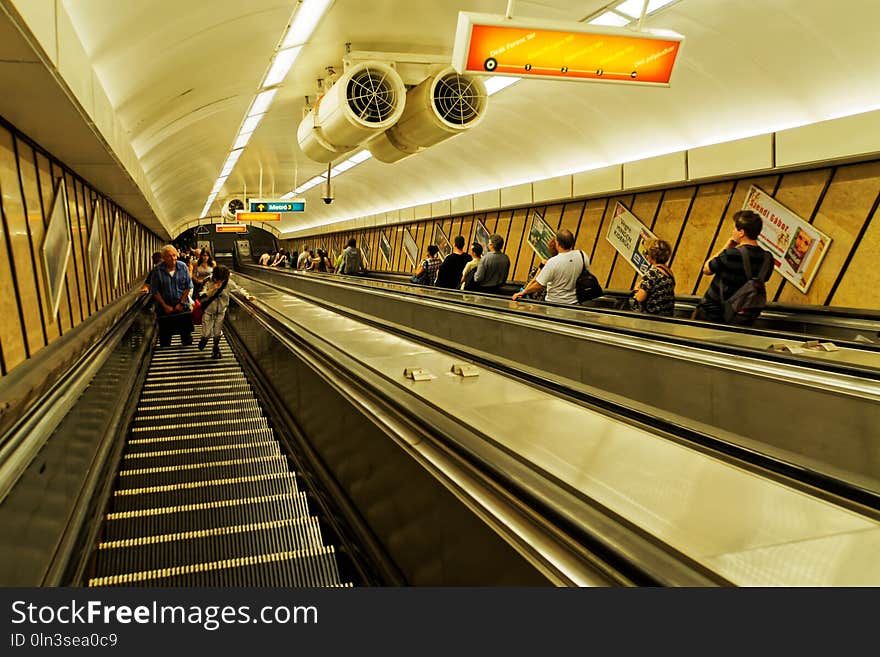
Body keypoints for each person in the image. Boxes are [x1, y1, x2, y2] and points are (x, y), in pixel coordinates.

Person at [694, 210, 773, 325]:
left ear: (741, 232)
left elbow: (707, 269)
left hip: (713, 314)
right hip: (741, 319)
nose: (733, 231)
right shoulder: (767, 259)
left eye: (735, 228)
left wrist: (728, 245)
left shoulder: (731, 254)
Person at [512, 229, 583, 304]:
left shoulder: (551, 263)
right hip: (574, 302)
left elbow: (537, 283)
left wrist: (523, 292)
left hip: (553, 303)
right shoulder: (581, 257)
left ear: (557, 245)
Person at [149, 244, 194, 347]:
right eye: (170, 256)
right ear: (164, 257)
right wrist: (165, 306)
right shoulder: (157, 271)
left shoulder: (182, 267)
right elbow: (155, 291)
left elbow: (188, 286)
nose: (173, 258)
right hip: (164, 310)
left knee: (186, 337)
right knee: (165, 339)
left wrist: (181, 303)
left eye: (174, 255)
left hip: (182, 307)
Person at [630, 239, 675, 316]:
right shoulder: (669, 273)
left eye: (646, 253)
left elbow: (640, 298)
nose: (646, 256)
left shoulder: (652, 273)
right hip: (666, 317)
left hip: (650, 318)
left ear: (653, 256)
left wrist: (636, 289)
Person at [197, 265, 231, 359]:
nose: (220, 282)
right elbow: (201, 296)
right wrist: (214, 288)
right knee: (207, 332)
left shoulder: (227, 282)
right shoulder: (207, 281)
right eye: (217, 279)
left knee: (217, 332)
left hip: (221, 311)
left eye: (222, 280)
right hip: (208, 311)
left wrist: (247, 296)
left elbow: (238, 289)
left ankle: (215, 347)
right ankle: (204, 339)